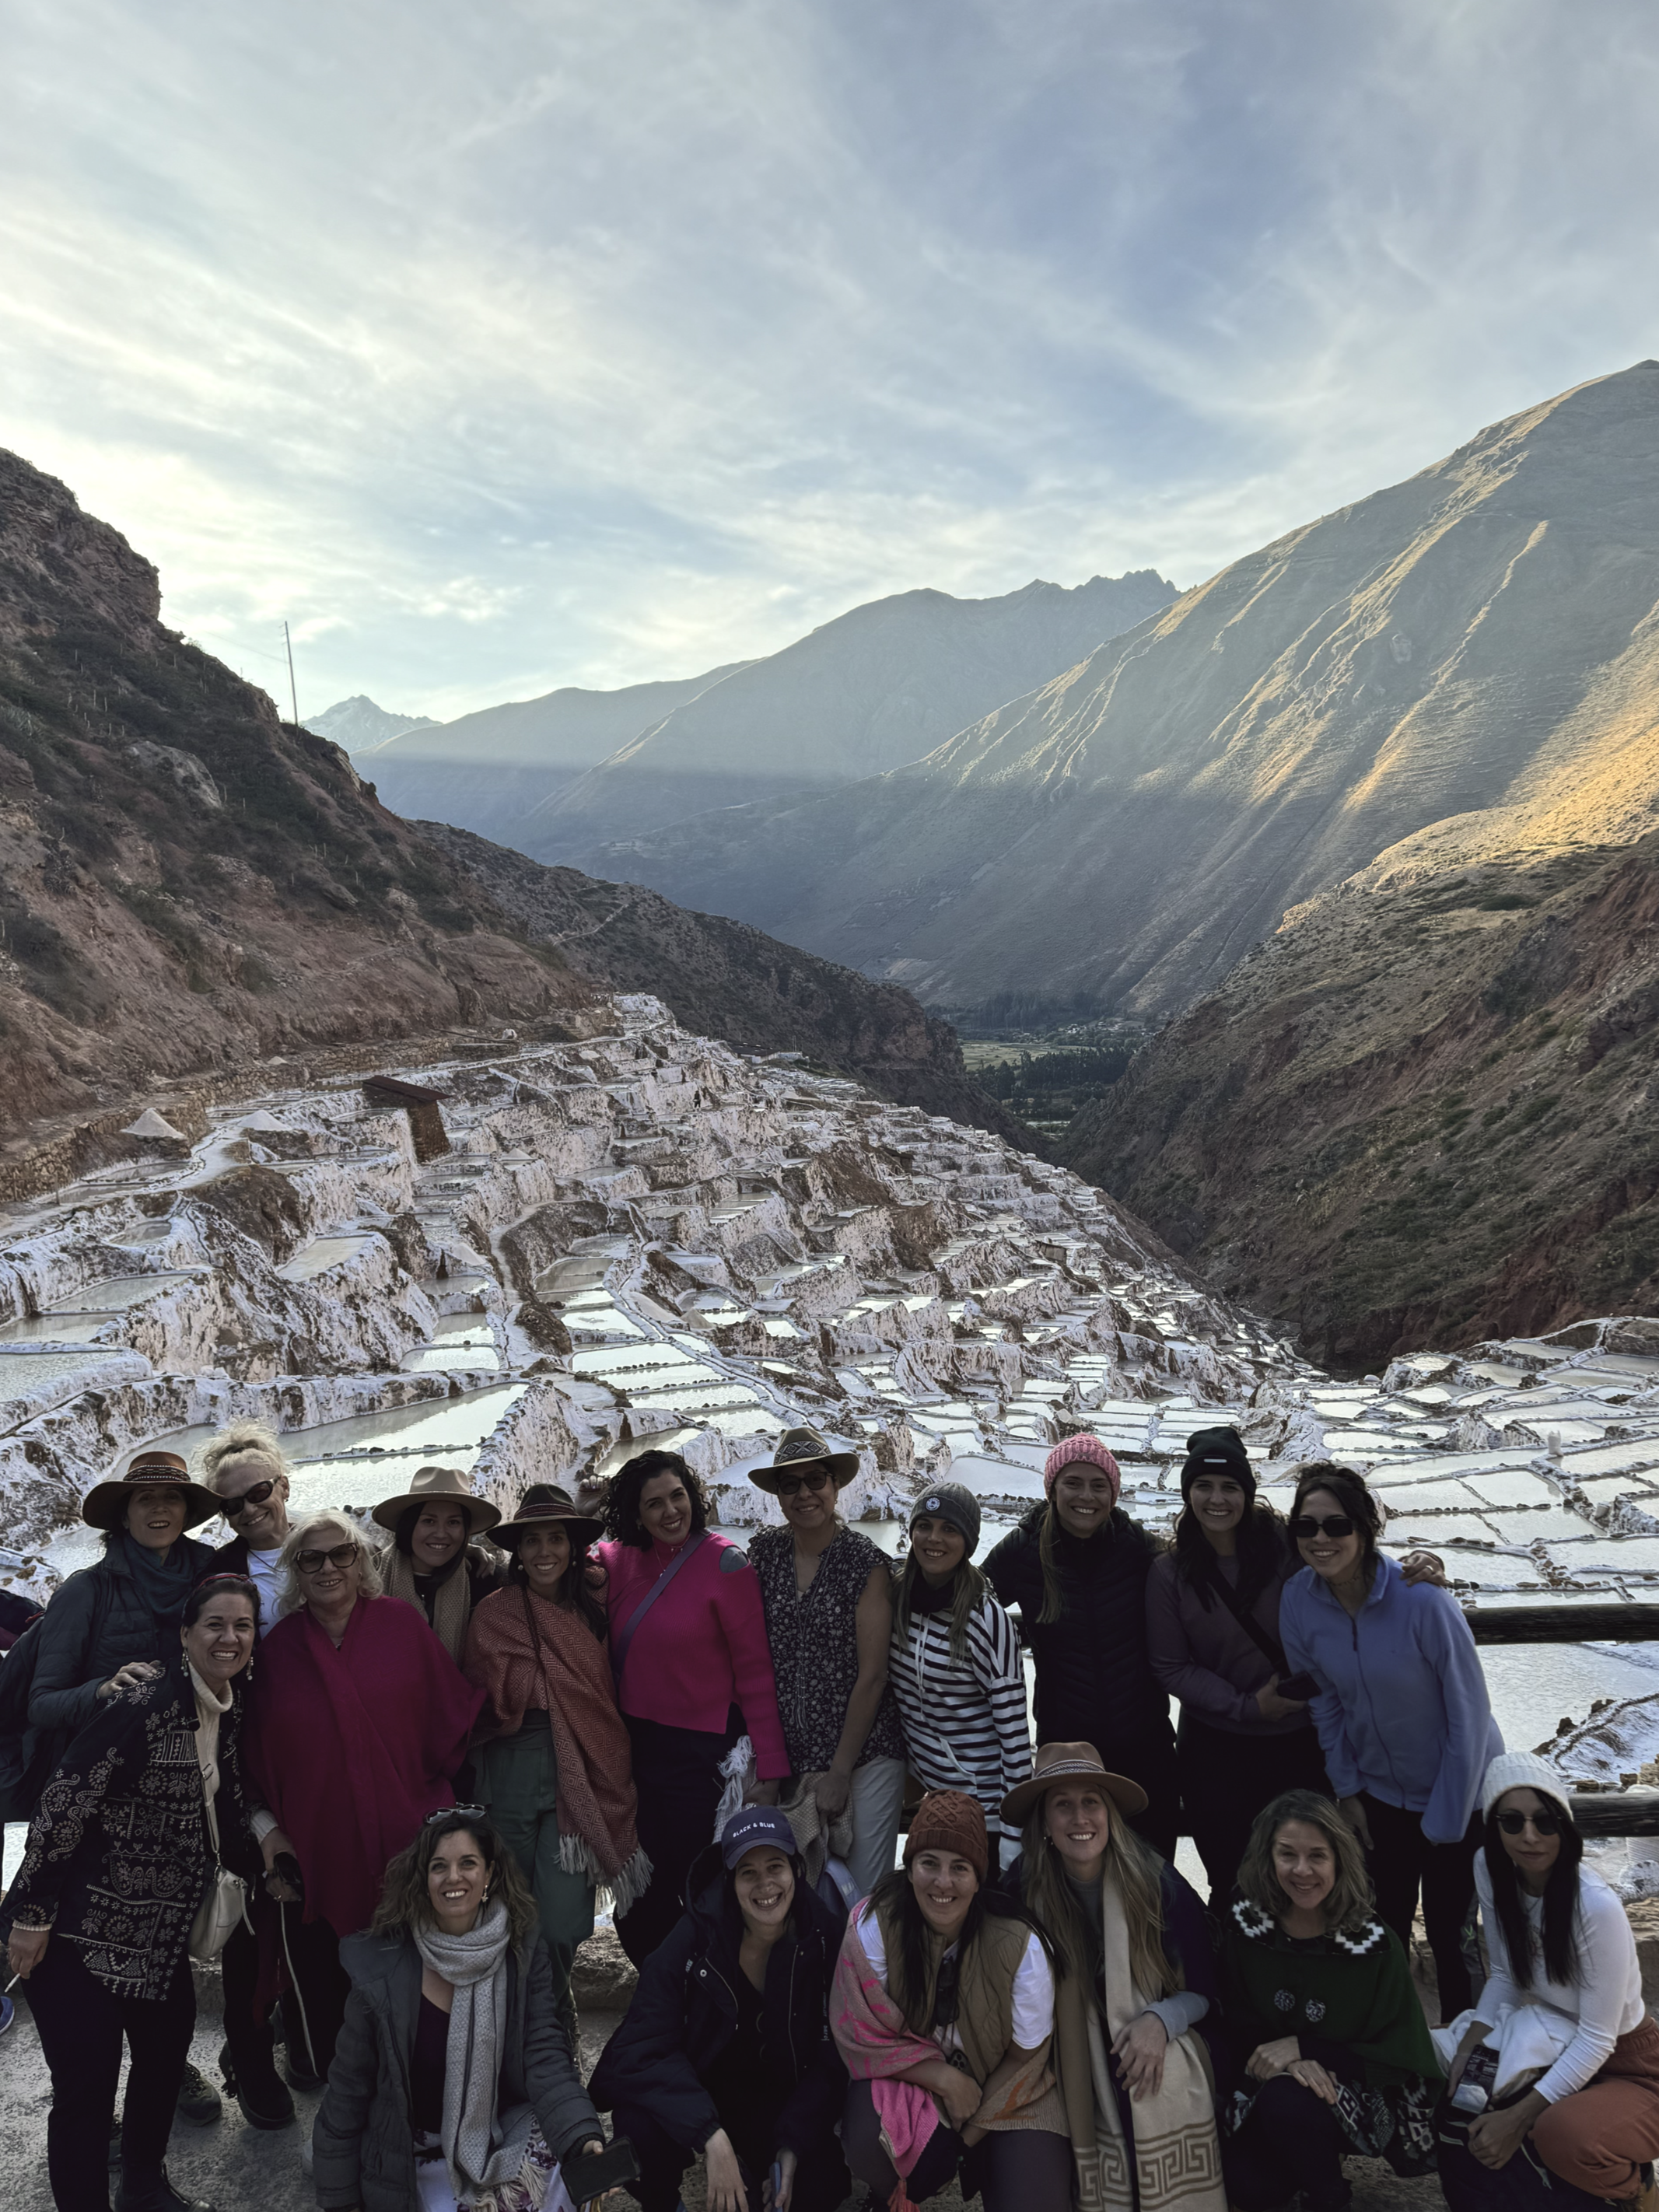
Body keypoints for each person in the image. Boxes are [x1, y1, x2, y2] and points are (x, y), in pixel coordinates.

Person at [3, 1573, 264, 2212]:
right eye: (215, 1624)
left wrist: (268, 1852)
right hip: (77, 1933)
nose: (229, 1638)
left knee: (162, 2061)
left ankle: (144, 2189)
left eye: (243, 1626)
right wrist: (31, 1915)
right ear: (185, 1633)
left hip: (158, 1937)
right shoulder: (144, 1703)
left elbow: (225, 1802)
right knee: (86, 2093)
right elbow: (64, 1801)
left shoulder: (227, 1706)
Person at [1147, 1426, 1449, 1906]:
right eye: (1203, 1486)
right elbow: (1171, 1666)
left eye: (1230, 1487)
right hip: (1216, 1750)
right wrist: (1247, 1706)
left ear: (1249, 1492)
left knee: (1310, 1874)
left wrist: (1417, 1563)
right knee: (1230, 1878)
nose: (1217, 1499)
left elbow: (1347, 1559)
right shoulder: (1170, 1571)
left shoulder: (1287, 1546)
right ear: (1188, 1493)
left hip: (1303, 1742)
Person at [21, 1447, 229, 2129]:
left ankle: (169, 2067)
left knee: (163, 1940)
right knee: (85, 1951)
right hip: (95, 1810)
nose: (160, 1509)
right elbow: (43, 1702)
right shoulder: (87, 1590)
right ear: (124, 1513)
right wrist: (102, 1689)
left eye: (172, 1499)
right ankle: (89, 2100)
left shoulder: (207, 1575)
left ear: (187, 1511)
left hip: (179, 1800)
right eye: (146, 1499)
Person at [242, 1510, 485, 2080]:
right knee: (337, 1980)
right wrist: (270, 1827)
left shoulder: (400, 1625)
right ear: (295, 1571)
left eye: (340, 1554)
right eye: (310, 1558)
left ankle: (427, 2088)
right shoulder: (278, 1652)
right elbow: (257, 1751)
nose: (327, 1567)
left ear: (360, 1562)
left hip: (409, 1830)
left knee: (422, 1972)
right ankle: (350, 2093)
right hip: (322, 1845)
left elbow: (448, 1717)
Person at [1279, 1460, 1501, 2020]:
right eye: (1306, 1526)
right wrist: (1348, 1790)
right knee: (1382, 1930)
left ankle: (1469, 2052)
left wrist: (1445, 1823)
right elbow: (1323, 1703)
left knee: (1453, 1937)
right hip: (1379, 1798)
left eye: (1336, 1525)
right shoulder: (1298, 1601)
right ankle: (1394, 2048)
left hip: (1461, 1796)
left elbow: (1469, 1714)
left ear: (1364, 1528)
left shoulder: (1424, 1601)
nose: (1321, 1538)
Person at [312, 1808, 614, 2212]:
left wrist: (582, 2136)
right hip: (414, 2150)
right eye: (439, 1866)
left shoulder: (521, 1952)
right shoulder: (382, 1969)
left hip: (502, 2129)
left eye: (468, 1863)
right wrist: (339, 2199)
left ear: (489, 1874)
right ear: (423, 1880)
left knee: (568, 2177)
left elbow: (545, 2057)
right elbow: (348, 2092)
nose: (453, 1877)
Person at [1000, 1741, 1227, 2211]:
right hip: (1064, 2044)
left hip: (1156, 2023)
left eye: (1091, 1802)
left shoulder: (1157, 1883)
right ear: (1044, 1822)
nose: (1080, 1817)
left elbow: (1205, 1991)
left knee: (1151, 2077)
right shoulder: (1023, 1887)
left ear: (1110, 1815)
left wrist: (1160, 2021)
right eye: (1063, 1805)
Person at [590, 1805, 851, 2212]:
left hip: (776, 2097)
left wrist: (793, 2143)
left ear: (797, 1871)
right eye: (748, 1872)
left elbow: (832, 2059)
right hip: (699, 2084)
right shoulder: (694, 1936)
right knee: (638, 2134)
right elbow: (641, 2045)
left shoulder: (826, 1936)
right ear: (730, 1882)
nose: (765, 1884)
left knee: (821, 2185)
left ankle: (757, 2167)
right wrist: (711, 2137)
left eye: (776, 1867)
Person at [831, 1789, 1072, 2212]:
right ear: (909, 1870)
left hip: (1011, 2089)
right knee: (869, 2137)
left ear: (979, 1879)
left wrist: (965, 2138)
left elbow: (1026, 2057)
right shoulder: (875, 1926)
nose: (943, 1882)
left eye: (960, 1868)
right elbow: (861, 2035)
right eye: (929, 1863)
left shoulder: (1021, 1944)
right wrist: (945, 2080)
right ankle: (890, 2194)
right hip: (915, 2080)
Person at [1438, 1752, 1659, 2211]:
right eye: (1512, 1821)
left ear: (1565, 1825)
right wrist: (1467, 2052)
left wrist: (1518, 2119)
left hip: (1629, 2063)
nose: (1529, 1836)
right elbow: (1505, 1976)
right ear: (1494, 1827)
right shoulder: (1490, 1869)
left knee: (1560, 2133)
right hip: (1554, 2038)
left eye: (1544, 1821)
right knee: (1457, 2082)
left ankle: (1639, 2191)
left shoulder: (1594, 1905)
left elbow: (1597, 2038)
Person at [594, 1447, 789, 1966]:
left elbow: (756, 1674)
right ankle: (664, 1988)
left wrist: (771, 1771)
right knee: (639, 1893)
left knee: (698, 1881)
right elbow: (556, 1562)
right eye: (653, 1503)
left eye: (677, 1496)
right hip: (636, 1751)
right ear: (636, 1514)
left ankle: (710, 1988)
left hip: (701, 1756)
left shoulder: (725, 1564)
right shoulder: (615, 1561)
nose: (670, 1511)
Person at [464, 1484, 649, 2022]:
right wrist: (542, 1682)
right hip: (513, 1769)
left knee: (565, 1921)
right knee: (509, 1909)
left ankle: (549, 2009)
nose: (544, 1551)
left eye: (555, 1539)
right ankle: (533, 2024)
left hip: (584, 1767)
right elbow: (485, 1697)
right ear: (518, 1552)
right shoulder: (495, 1615)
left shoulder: (595, 1602)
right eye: (532, 1541)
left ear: (572, 1547)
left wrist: (555, 1681)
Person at [1217, 1788, 1442, 2212]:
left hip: (1360, 2093)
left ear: (1339, 1859)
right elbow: (1233, 2015)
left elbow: (1402, 2058)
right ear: (1268, 1857)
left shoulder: (1374, 1944)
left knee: (1288, 2101)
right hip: (1266, 2080)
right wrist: (1289, 2061)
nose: (1302, 1870)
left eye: (1317, 1856)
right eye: (1287, 1854)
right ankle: (1304, 2159)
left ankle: (1330, 2197)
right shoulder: (1246, 1926)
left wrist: (1306, 2049)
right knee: (1247, 2189)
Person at [984, 1435, 1178, 1857]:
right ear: (1052, 1489)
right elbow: (973, 1601)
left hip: (1144, 1741)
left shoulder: (1137, 1547)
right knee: (1074, 1865)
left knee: (1153, 1866)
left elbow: (1191, 1584)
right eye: (1073, 1483)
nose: (1085, 1497)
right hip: (1066, 1745)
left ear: (1113, 1494)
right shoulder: (1024, 1549)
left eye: (1098, 1485)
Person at [747, 1426, 905, 1899]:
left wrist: (839, 1772)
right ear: (778, 1496)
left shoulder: (865, 1564)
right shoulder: (765, 1554)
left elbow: (873, 1676)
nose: (804, 1494)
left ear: (835, 1487)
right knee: (803, 1895)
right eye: (790, 1484)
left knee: (863, 1896)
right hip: (791, 1757)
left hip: (864, 1756)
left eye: (816, 1480)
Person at [888, 1480, 1031, 1855]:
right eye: (924, 1526)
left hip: (985, 1811)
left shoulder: (985, 1618)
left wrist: (1014, 1842)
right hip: (933, 1801)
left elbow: (1015, 1741)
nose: (934, 1539)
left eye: (949, 1529)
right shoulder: (897, 1598)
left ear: (968, 1542)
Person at [371, 1464, 504, 1663]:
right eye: (429, 1521)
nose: (441, 1534)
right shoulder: (371, 1581)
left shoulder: (485, 1580)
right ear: (409, 1525)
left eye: (453, 1522)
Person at [202, 1420, 296, 1636]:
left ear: (284, 1487)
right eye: (233, 1505)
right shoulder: (218, 1575)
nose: (250, 1509)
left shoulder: (330, 1546)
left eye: (258, 1493)